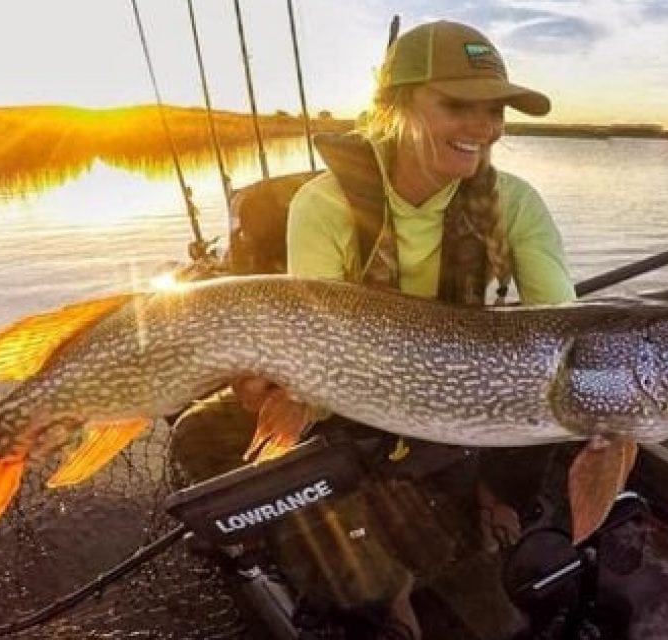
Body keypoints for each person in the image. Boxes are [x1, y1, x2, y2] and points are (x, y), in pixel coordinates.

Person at [173, 20, 575, 639]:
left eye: (494, 109)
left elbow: (561, 339)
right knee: (201, 432)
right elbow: (311, 353)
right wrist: (272, 390)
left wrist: (510, 484)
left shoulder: (514, 203)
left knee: (555, 396)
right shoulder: (326, 204)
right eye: (458, 104)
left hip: (451, 403)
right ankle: (366, 588)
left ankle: (469, 523)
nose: (485, 127)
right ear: (395, 106)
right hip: (344, 403)